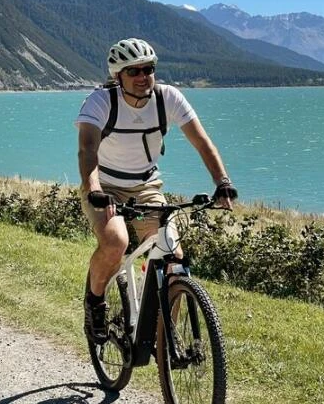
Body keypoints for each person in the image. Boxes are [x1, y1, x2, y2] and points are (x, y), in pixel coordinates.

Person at [76, 37, 237, 343]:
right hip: (104, 186)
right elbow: (87, 150)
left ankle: (166, 338)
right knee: (116, 242)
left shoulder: (168, 99)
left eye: (148, 69)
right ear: (118, 76)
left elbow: (202, 142)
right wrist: (94, 187)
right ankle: (95, 302)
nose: (142, 77)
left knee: (173, 258)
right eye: (133, 71)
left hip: (147, 186)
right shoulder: (101, 101)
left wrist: (222, 182)